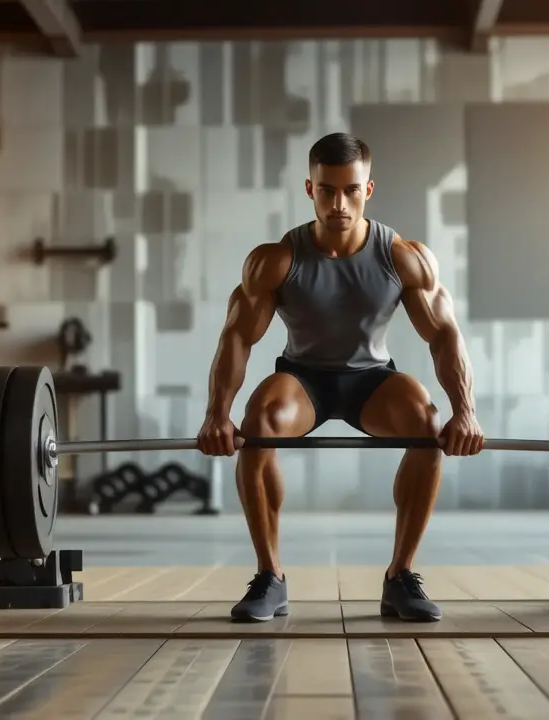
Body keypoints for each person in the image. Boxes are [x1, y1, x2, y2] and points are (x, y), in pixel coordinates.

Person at [196, 132, 484, 623]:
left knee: (426, 424)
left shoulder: (403, 257)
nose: (339, 204)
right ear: (310, 188)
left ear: (367, 189)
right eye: (327, 190)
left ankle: (401, 576)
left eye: (351, 190)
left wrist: (466, 412)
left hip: (370, 381)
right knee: (259, 422)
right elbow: (237, 338)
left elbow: (443, 335)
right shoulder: (276, 260)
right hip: (303, 380)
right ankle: (270, 577)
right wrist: (216, 415)